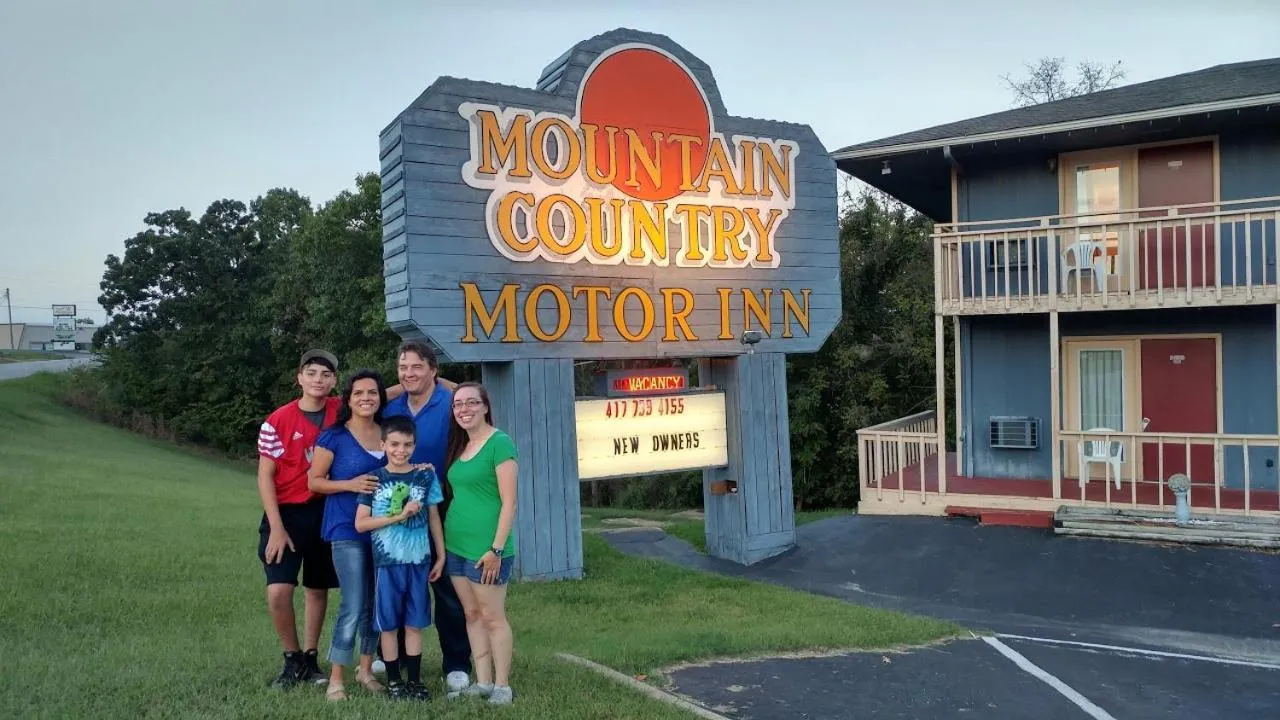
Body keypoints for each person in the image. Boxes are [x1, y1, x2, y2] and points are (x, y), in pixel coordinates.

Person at [382, 340, 474, 697]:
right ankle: (400, 660)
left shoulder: (452, 403)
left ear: (434, 369)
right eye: (403, 367)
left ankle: (456, 664)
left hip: (444, 501)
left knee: (447, 586)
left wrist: (448, 384)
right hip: (398, 507)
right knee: (403, 583)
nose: (409, 374)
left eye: (417, 367)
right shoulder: (391, 406)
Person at [255, 349, 342, 689]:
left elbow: (381, 391)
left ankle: (309, 657)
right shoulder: (277, 420)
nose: (318, 379)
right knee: (278, 589)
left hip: (326, 510)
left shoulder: (340, 410)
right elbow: (265, 476)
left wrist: (433, 378)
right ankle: (291, 659)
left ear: (334, 380)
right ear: (300, 377)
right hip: (287, 513)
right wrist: (276, 527)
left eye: (325, 373)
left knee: (317, 588)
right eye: (312, 372)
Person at [308, 369, 388, 701]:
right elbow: (314, 481)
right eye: (358, 393)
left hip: (383, 531)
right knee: (353, 603)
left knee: (374, 603)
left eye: (372, 392)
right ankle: (336, 678)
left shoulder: (387, 433)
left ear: (381, 397)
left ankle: (366, 670)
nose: (366, 398)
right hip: (345, 528)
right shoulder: (335, 436)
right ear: (348, 399)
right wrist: (350, 485)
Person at [354, 415, 446, 702]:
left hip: (418, 561)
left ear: (414, 445)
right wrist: (398, 515)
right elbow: (361, 524)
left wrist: (440, 555)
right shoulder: (374, 479)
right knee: (390, 625)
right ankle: (394, 681)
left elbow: (433, 517)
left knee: (415, 623)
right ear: (383, 444)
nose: (400, 450)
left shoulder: (424, 476)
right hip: (387, 564)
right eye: (394, 444)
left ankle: (415, 682)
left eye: (407, 445)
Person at [442, 381, 518, 705]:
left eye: (472, 402)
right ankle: (483, 682)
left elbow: (509, 503)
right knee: (471, 614)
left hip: (487, 550)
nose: (464, 409)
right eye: (458, 404)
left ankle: (502, 685)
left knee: (492, 617)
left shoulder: (500, 443)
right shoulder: (462, 445)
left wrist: (496, 550)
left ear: (485, 406)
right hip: (456, 545)